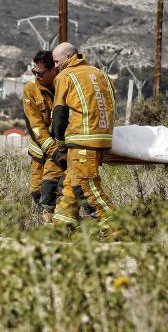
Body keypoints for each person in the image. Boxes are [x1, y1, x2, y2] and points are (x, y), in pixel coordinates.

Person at [50, 42, 117, 226]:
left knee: (86, 187)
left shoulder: (65, 75)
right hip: (102, 135)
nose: (55, 66)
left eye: (57, 61)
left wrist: (60, 143)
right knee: (71, 184)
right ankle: (62, 226)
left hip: (81, 139)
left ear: (69, 57)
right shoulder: (99, 73)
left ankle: (115, 227)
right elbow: (112, 102)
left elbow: (59, 114)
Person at [21, 50, 64, 221]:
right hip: (42, 153)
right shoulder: (30, 90)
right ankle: (44, 226)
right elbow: (35, 126)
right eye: (34, 72)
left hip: (61, 152)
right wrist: (53, 151)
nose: (36, 76)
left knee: (57, 189)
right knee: (37, 192)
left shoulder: (64, 84)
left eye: (40, 73)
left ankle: (60, 225)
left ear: (53, 70)